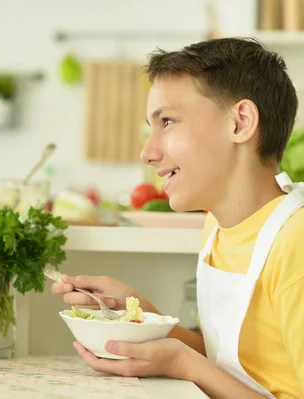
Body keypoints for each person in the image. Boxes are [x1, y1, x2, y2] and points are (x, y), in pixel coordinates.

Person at [52, 37, 303, 399]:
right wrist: (145, 319)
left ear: (240, 122)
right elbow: (231, 366)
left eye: (167, 121)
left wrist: (183, 364)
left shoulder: (296, 243)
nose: (147, 153)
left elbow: (202, 368)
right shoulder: (217, 225)